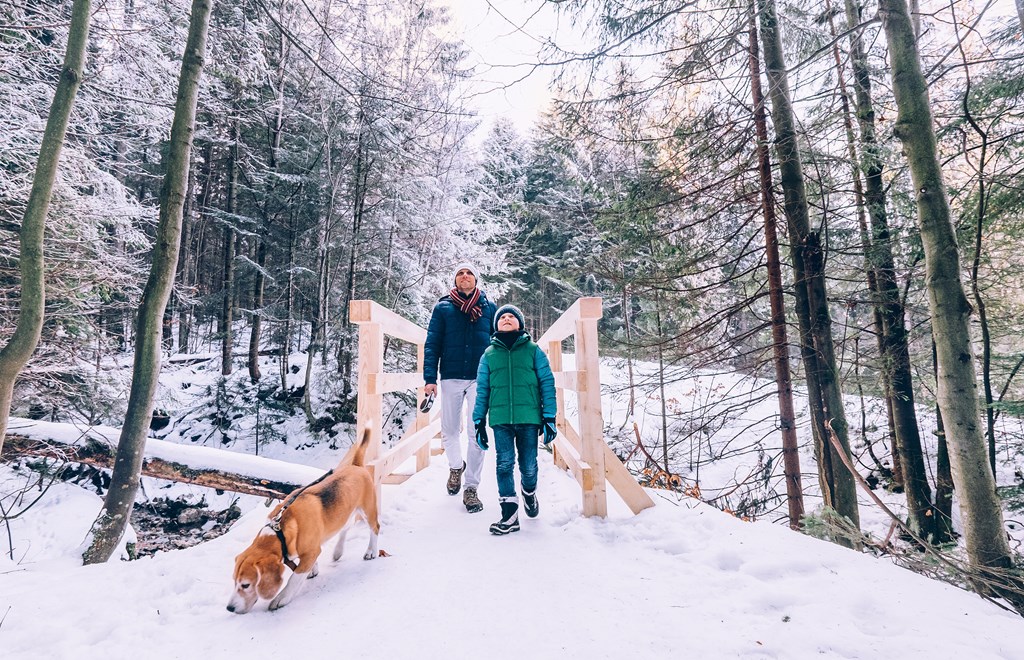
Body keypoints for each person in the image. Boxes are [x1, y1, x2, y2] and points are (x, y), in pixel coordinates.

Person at [472, 304, 557, 535]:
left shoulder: (533, 350)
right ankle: (509, 515)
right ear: (496, 325)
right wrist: (478, 421)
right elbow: (482, 391)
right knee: (504, 464)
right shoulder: (488, 355)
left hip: (529, 417)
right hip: (501, 420)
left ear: (520, 323)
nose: (507, 319)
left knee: (528, 466)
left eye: (512, 316)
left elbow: (547, 384)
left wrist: (549, 417)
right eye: (502, 317)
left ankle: (529, 492)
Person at [423, 263, 498, 513]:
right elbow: (432, 343)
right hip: (451, 376)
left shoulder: (489, 308)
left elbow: (499, 342)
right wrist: (429, 379)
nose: (465, 276)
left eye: (469, 273)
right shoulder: (443, 308)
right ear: (455, 280)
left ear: (476, 279)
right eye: (460, 273)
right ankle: (456, 467)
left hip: (480, 377)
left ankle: (471, 488)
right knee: (449, 431)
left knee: (476, 432)